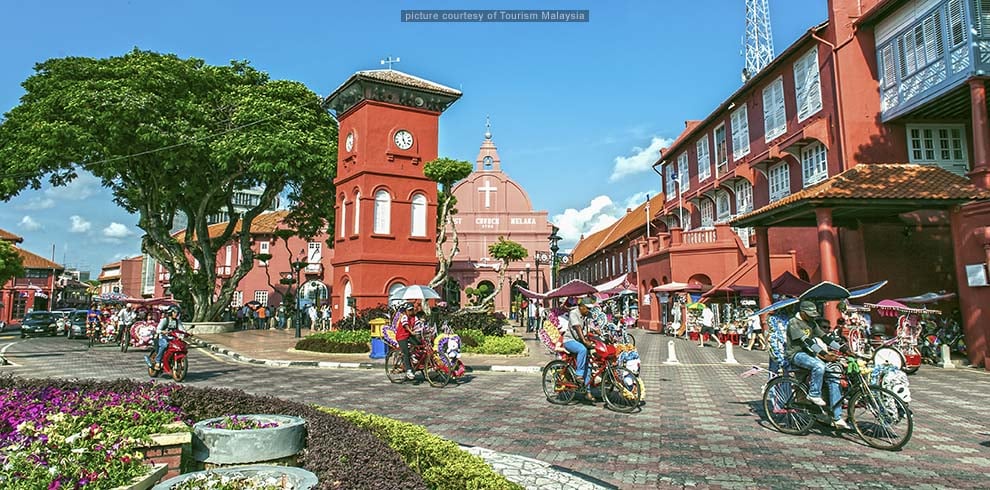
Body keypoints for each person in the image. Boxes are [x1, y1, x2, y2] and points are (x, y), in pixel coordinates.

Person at [785, 300, 848, 429]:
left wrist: (842, 349)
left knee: (834, 377)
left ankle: (837, 417)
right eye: (809, 314)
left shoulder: (812, 323)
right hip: (796, 354)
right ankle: (814, 394)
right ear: (802, 312)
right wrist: (825, 355)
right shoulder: (793, 323)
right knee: (819, 366)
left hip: (810, 354)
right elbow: (807, 341)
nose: (812, 317)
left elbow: (825, 338)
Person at [562, 298, 595, 400]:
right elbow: (578, 328)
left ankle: (587, 391)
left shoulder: (587, 315)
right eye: (587, 308)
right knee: (582, 350)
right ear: (581, 307)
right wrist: (584, 342)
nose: (588, 310)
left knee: (588, 365)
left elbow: (593, 326)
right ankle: (579, 375)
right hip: (569, 341)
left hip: (580, 341)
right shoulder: (573, 313)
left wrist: (600, 333)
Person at [395, 303, 421, 380]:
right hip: (401, 337)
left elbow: (418, 324)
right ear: (406, 311)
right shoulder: (404, 317)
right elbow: (406, 325)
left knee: (419, 344)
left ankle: (414, 355)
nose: (411, 311)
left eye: (412, 310)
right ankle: (408, 371)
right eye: (409, 310)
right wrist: (411, 331)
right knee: (405, 352)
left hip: (409, 335)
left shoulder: (414, 317)